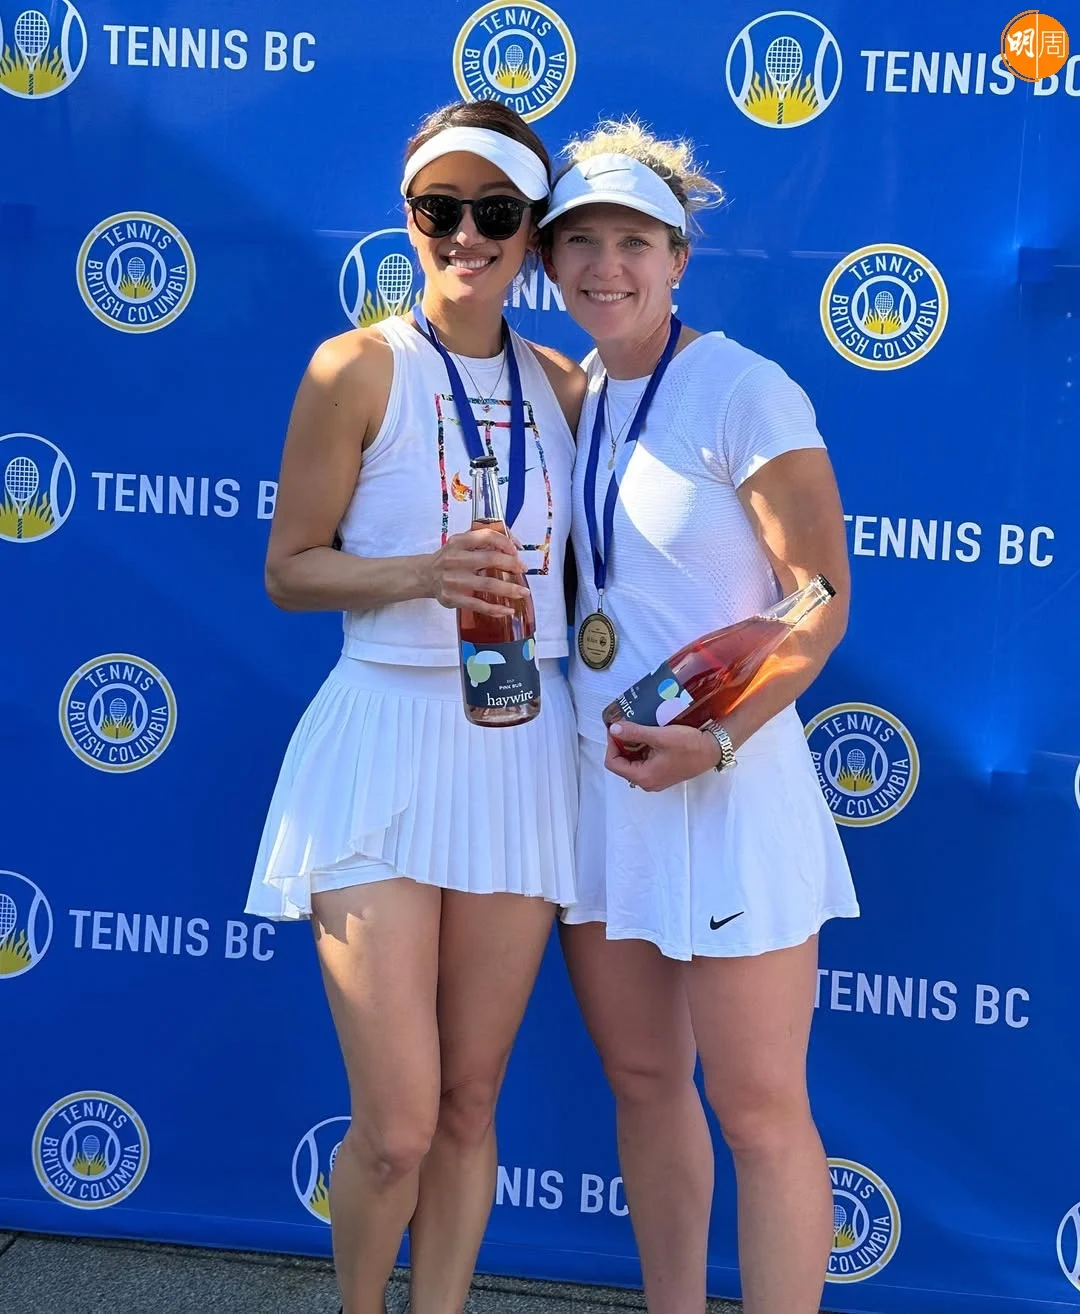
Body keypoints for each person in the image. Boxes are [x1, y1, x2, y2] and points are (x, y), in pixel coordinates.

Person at [245, 101, 584, 1314]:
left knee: (470, 1102)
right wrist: (420, 575)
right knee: (394, 1126)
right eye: (441, 209)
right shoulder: (354, 368)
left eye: (495, 212)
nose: (466, 235)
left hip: (518, 746)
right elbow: (290, 570)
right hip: (381, 744)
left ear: (532, 230)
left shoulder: (565, 386)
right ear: (408, 218)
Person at [540, 118, 860, 1314]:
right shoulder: (565, 397)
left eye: (633, 242)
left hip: (729, 784)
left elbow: (818, 599)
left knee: (762, 1110)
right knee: (641, 1081)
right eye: (580, 242)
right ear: (548, 260)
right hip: (606, 789)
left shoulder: (742, 388)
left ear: (679, 259)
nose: (605, 266)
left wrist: (718, 739)